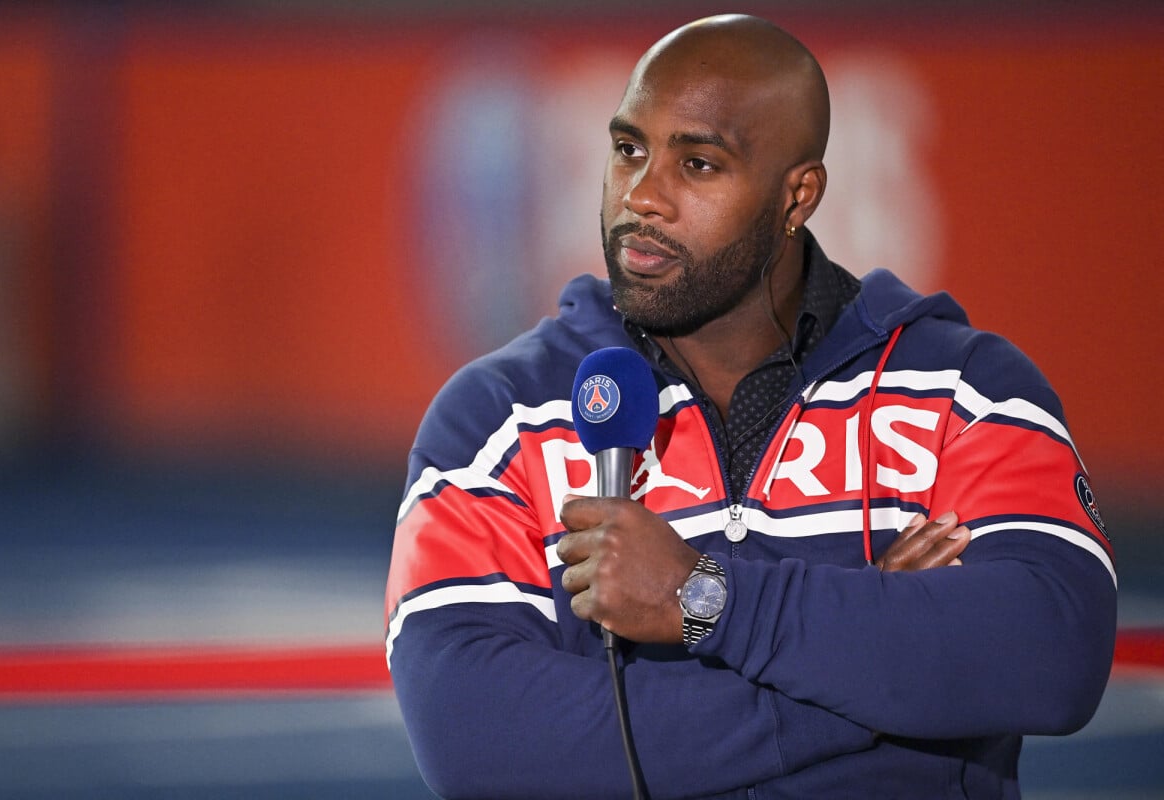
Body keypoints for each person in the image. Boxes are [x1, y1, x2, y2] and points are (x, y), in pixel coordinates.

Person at [384, 14, 1116, 799]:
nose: (642, 196)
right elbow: (477, 743)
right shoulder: (496, 418)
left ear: (797, 196)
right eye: (629, 149)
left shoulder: (965, 388)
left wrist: (704, 599)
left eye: (698, 164)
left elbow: (1053, 655)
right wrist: (875, 678)